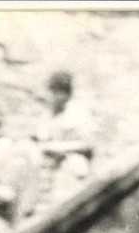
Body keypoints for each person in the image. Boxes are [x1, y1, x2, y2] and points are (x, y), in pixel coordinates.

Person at [34, 70, 96, 207]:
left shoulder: (79, 112)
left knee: (69, 206)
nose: (50, 96)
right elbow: (41, 139)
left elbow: (89, 144)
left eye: (56, 92)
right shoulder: (48, 113)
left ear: (63, 93)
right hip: (50, 171)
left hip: (71, 168)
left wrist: (58, 147)